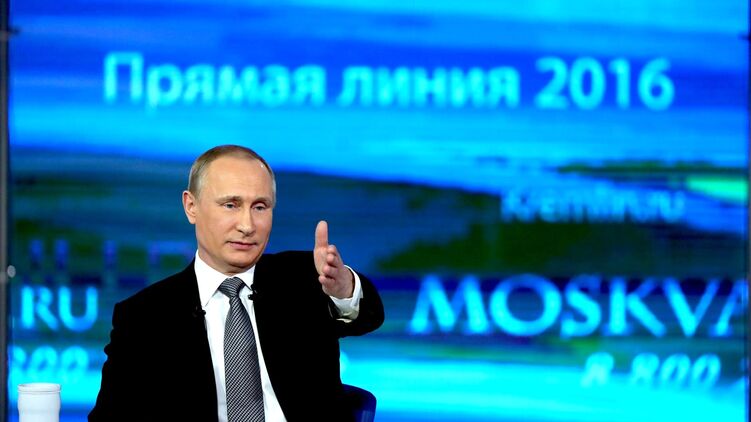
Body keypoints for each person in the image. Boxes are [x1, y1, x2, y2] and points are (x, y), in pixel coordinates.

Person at [89, 145, 385, 422]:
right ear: (191, 206)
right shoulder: (143, 316)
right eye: (231, 205)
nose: (247, 225)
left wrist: (344, 289)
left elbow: (368, 317)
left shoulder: (304, 278)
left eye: (260, 207)